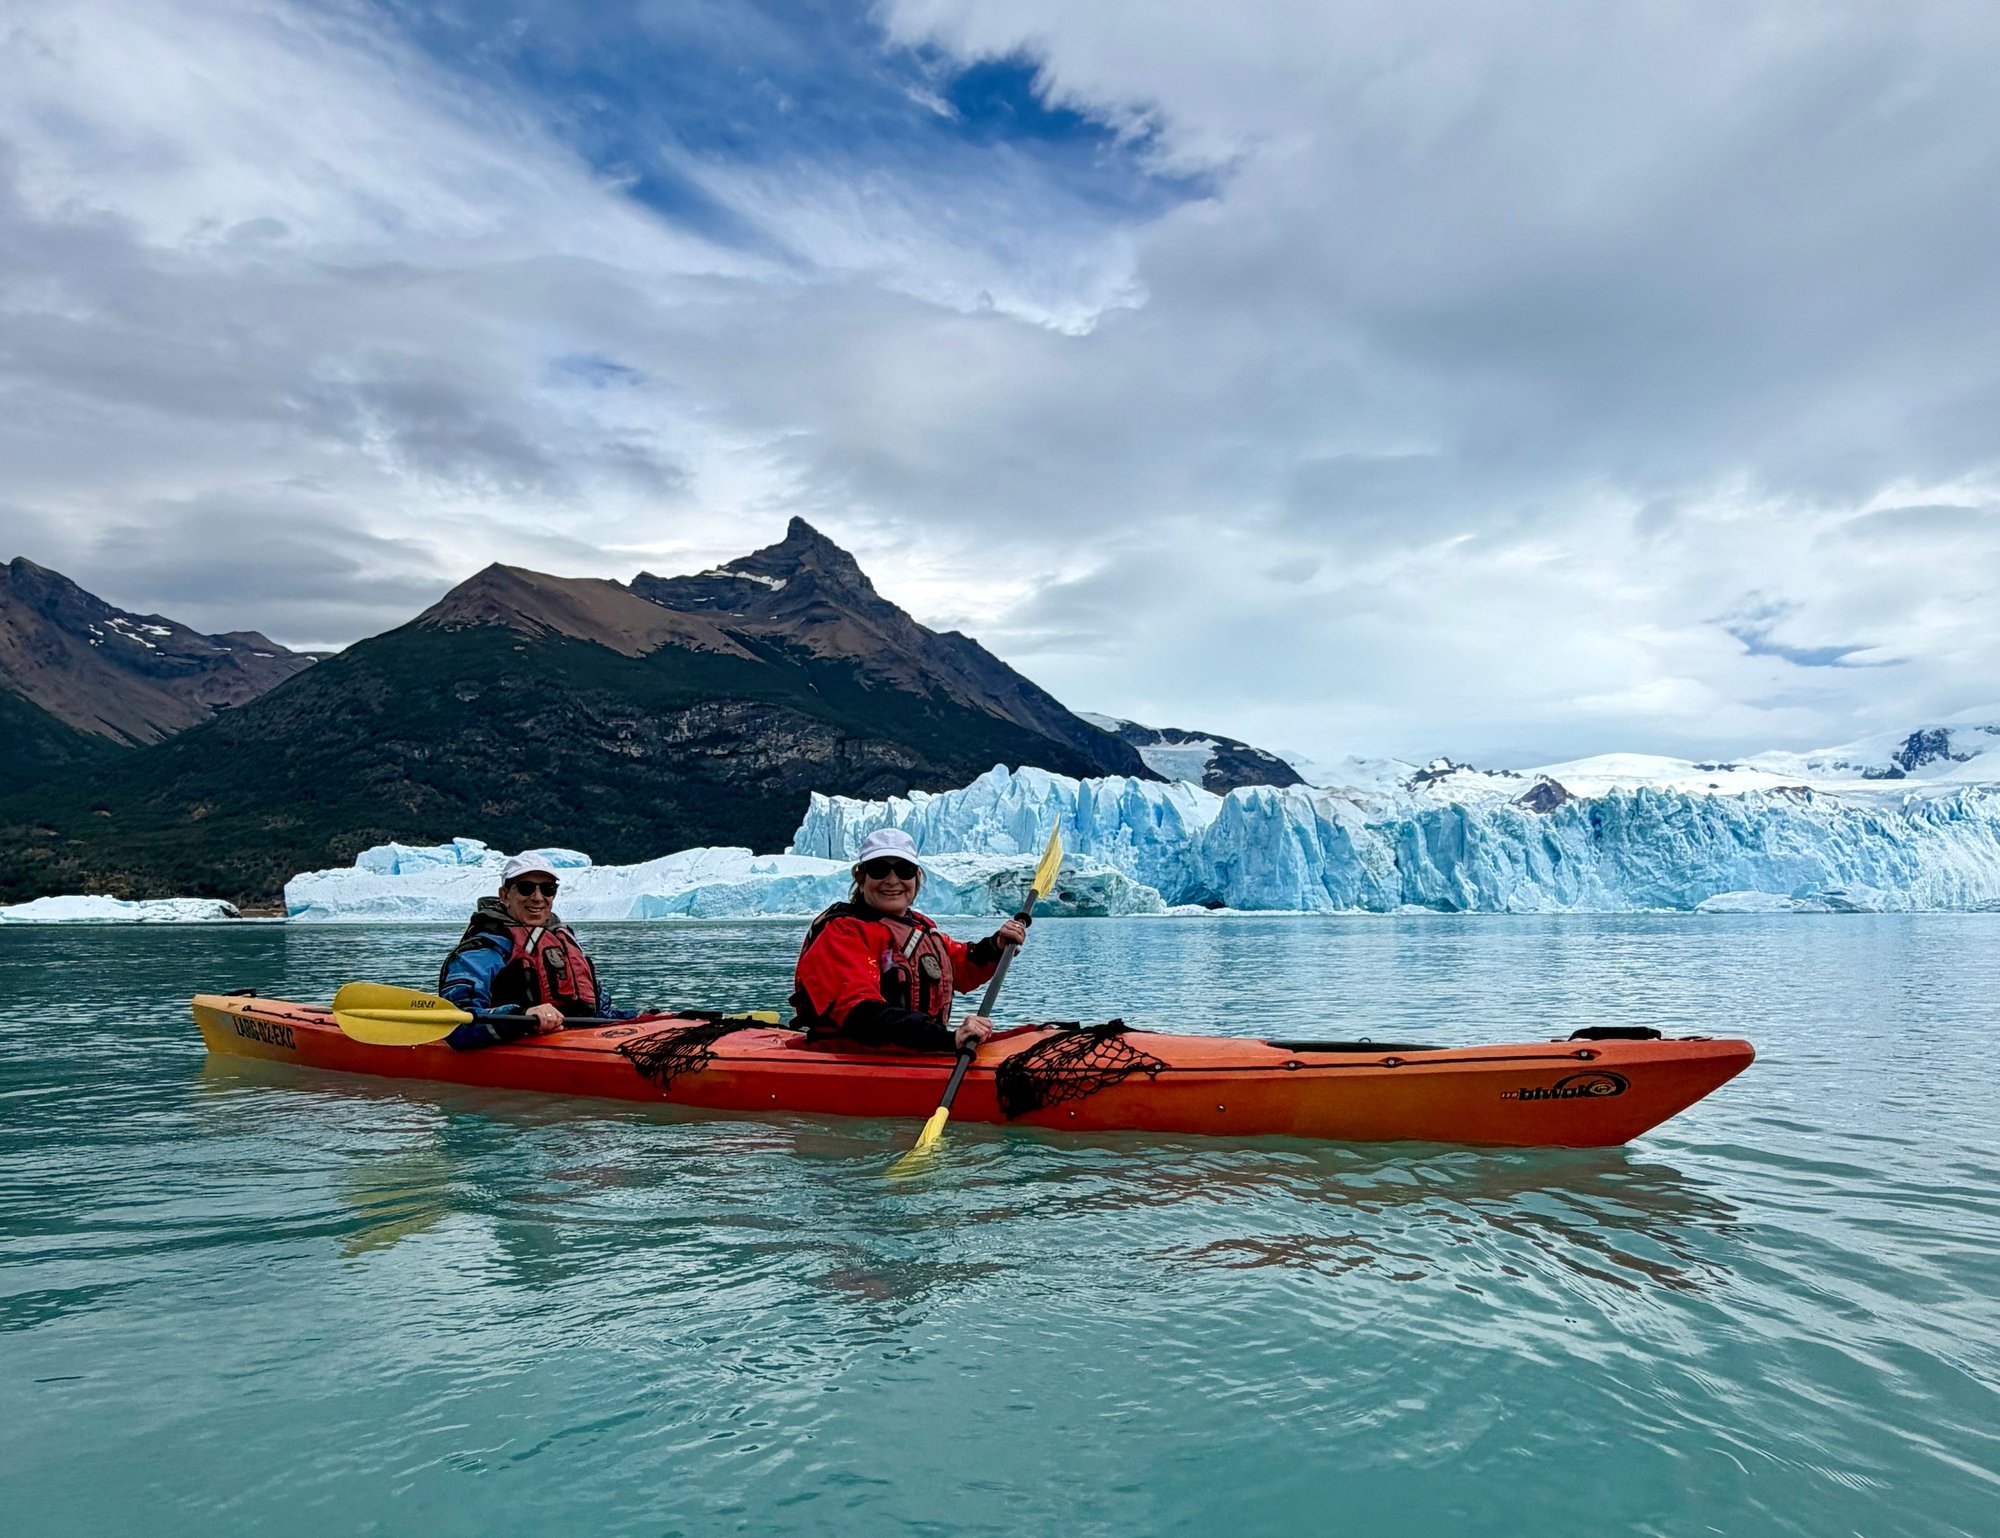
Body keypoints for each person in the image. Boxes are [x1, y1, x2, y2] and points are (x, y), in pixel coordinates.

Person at [791, 828, 1029, 1054]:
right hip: (853, 1058)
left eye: (904, 870)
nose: (892, 880)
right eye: (878, 869)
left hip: (917, 1049)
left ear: (916, 878)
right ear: (861, 878)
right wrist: (947, 1039)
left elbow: (960, 963)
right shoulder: (842, 932)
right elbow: (859, 1010)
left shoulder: (919, 927)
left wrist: (996, 946)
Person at [438, 853, 628, 1050]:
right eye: (525, 888)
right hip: (513, 1045)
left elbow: (602, 1012)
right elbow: (457, 1024)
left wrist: (647, 1017)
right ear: (504, 895)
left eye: (547, 889)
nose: (537, 898)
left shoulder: (562, 940)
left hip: (577, 1040)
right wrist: (521, 1016)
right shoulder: (484, 949)